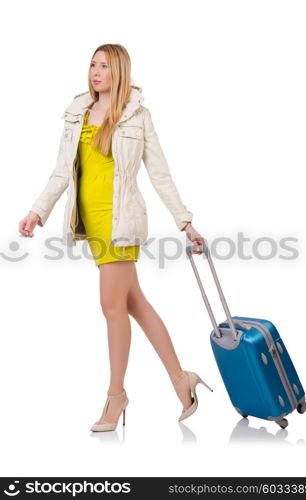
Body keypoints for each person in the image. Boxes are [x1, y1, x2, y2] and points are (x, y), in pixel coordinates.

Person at [19, 43, 213, 432]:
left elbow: (160, 174)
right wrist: (37, 211)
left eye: (104, 66)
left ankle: (116, 395)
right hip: (91, 224)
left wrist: (185, 222)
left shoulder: (137, 117)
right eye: (92, 64)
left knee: (111, 306)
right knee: (135, 303)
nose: (95, 72)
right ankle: (181, 379)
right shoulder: (77, 114)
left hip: (121, 224)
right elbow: (61, 173)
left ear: (119, 71)